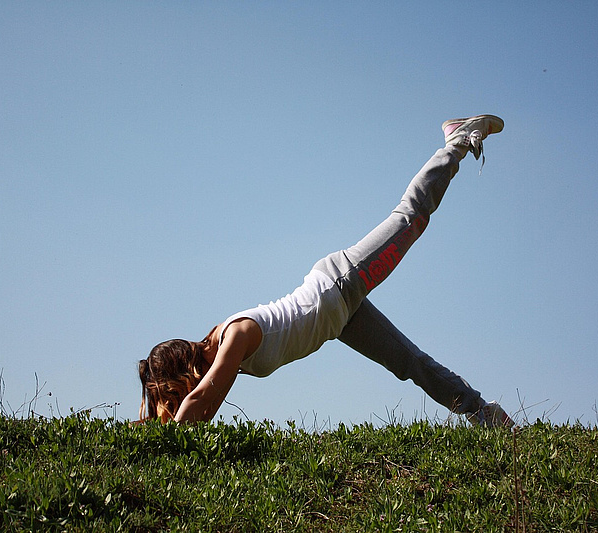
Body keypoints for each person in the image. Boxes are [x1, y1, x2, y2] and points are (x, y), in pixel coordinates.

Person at [138, 114, 514, 428]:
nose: (176, 398)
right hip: (338, 319)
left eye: (171, 391)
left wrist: (170, 442)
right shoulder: (221, 360)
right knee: (409, 362)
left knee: (410, 217)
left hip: (338, 284)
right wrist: (155, 426)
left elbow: (202, 399)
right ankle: (483, 413)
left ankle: (457, 140)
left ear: (181, 373)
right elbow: (202, 406)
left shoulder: (233, 336)